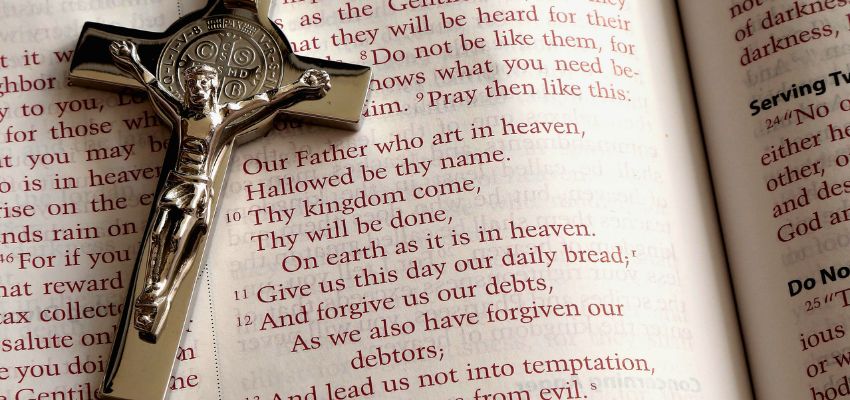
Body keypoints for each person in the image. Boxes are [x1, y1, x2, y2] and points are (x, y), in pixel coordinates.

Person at [109, 39, 331, 341]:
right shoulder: (182, 114)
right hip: (176, 180)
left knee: (177, 237)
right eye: (192, 85)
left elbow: (264, 100)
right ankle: (152, 287)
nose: (197, 91)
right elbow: (154, 87)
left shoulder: (222, 116)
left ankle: (162, 288)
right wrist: (132, 60)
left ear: (213, 88)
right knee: (159, 233)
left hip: (197, 185)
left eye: (203, 85)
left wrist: (299, 87)